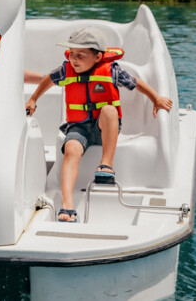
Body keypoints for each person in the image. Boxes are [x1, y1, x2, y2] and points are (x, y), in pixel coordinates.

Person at [25, 27, 172, 223]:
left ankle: (106, 165)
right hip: (78, 127)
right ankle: (67, 204)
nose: (74, 60)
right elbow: (48, 79)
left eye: (80, 56)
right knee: (70, 150)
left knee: (109, 110)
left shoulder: (112, 71)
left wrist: (156, 98)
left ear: (97, 57)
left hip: (105, 126)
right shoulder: (66, 70)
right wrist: (34, 98)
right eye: (72, 55)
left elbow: (136, 83)